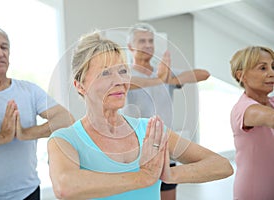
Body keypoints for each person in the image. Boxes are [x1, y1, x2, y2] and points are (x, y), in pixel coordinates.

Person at [47, 30, 233, 200]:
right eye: (105, 73)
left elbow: (222, 165)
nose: (120, 81)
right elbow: (65, 187)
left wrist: (169, 174)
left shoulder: (149, 130)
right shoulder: (64, 140)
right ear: (80, 85)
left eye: (122, 71)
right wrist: (142, 177)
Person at [0, 27, 74, 200]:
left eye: (4, 47)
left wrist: (26, 133)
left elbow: (66, 119)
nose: (0, 53)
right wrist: (0, 137)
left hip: (28, 193)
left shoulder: (29, 90)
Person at [125, 22, 210, 200]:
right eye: (142, 41)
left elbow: (204, 74)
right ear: (130, 46)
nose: (148, 45)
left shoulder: (165, 72)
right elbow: (128, 84)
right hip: (136, 152)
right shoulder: (125, 74)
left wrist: (171, 79)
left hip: (165, 149)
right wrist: (158, 80)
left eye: (150, 41)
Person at [230, 46, 274, 200]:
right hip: (254, 191)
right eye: (263, 68)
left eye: (273, 66)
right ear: (242, 75)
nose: (271, 73)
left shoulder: (271, 102)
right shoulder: (246, 109)